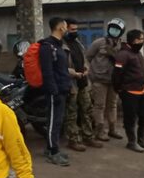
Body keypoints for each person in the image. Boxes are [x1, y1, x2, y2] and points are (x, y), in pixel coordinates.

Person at [62, 18, 103, 152]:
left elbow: (84, 58)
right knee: (72, 113)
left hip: (83, 82)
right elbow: (60, 66)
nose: (75, 32)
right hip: (71, 83)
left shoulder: (77, 43)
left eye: (76, 29)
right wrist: (72, 73)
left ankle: (88, 136)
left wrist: (86, 68)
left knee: (87, 110)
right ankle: (73, 139)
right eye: (72, 29)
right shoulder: (61, 45)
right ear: (65, 29)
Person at [112, 29, 144, 153]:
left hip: (141, 90)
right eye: (141, 39)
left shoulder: (137, 53)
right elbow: (117, 74)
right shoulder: (123, 54)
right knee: (130, 118)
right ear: (134, 40)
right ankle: (132, 142)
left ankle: (143, 140)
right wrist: (119, 89)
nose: (142, 42)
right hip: (129, 92)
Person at [86, 18, 126, 142]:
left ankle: (112, 129)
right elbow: (88, 57)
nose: (114, 31)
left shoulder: (122, 45)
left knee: (113, 105)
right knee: (99, 106)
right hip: (99, 79)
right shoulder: (99, 42)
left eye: (117, 29)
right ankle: (100, 131)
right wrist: (89, 72)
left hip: (114, 80)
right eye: (112, 28)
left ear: (121, 31)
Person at [40, 17, 72, 166]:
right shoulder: (48, 46)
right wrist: (53, 90)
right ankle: (53, 152)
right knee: (53, 121)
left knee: (58, 121)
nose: (67, 29)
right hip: (55, 91)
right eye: (65, 27)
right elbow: (47, 71)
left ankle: (51, 148)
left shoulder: (58, 46)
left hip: (62, 89)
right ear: (60, 28)